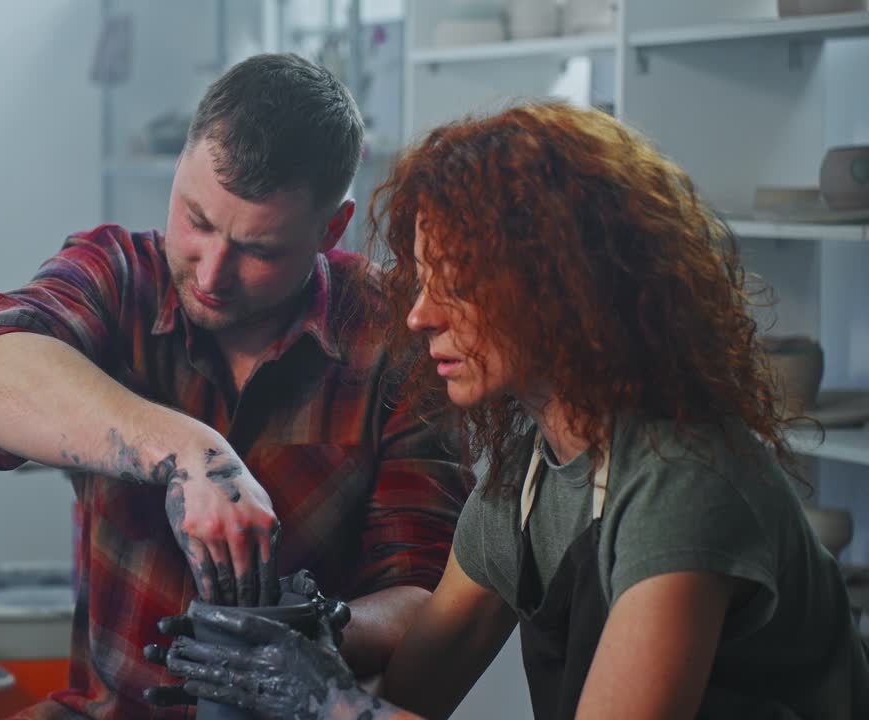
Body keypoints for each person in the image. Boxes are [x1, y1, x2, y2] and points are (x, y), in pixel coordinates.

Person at [148, 102, 869, 719]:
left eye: (457, 284)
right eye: (423, 281)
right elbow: (418, 688)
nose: (420, 317)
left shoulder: (682, 482)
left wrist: (330, 702)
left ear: (564, 287)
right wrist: (310, 638)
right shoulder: (528, 481)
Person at [0, 53, 469, 719]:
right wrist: (190, 454)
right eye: (197, 221)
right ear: (179, 174)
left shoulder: (394, 335)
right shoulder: (120, 277)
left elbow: (423, 600)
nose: (213, 273)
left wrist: (307, 635)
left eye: (260, 251)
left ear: (331, 229)